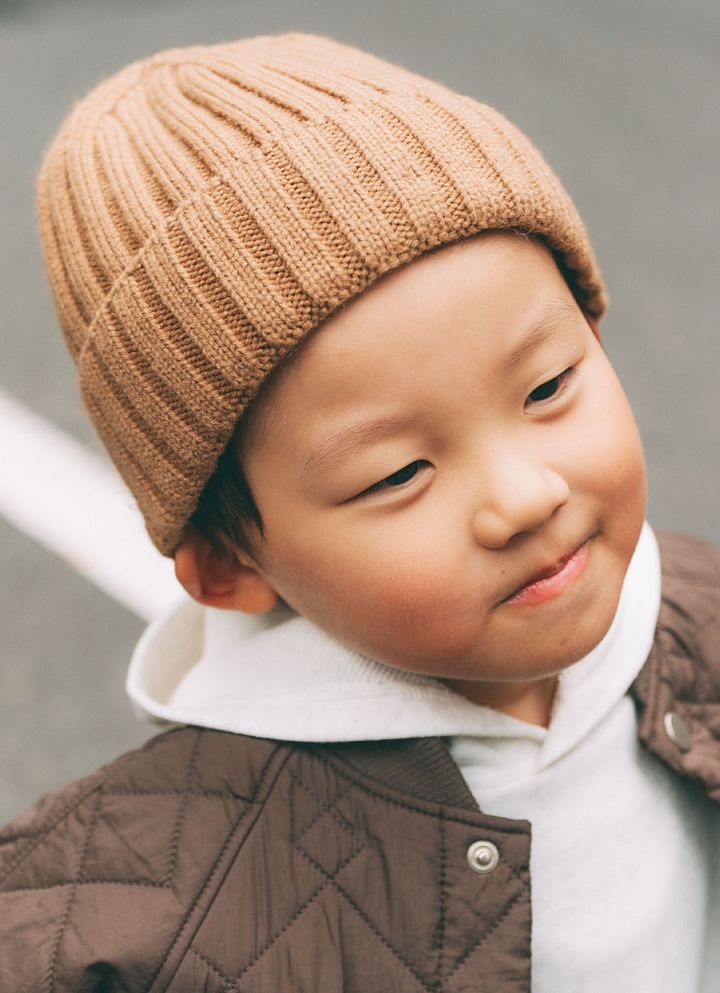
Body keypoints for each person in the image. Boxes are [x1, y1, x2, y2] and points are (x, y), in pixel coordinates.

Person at [1, 30, 718, 993]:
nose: (525, 496)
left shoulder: (695, 609)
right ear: (229, 565)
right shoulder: (135, 924)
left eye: (548, 385)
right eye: (398, 473)